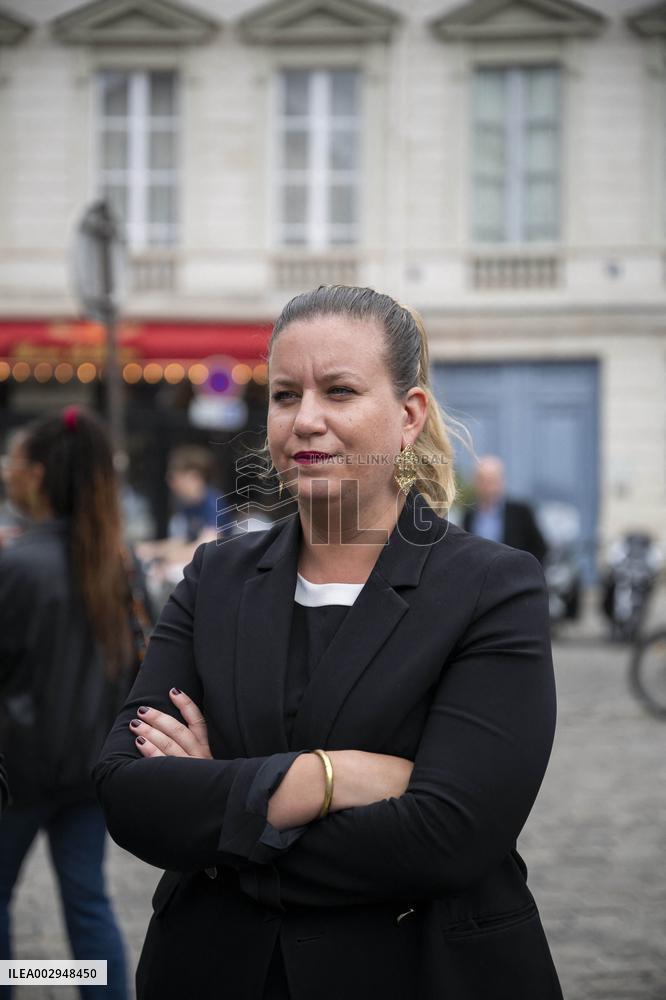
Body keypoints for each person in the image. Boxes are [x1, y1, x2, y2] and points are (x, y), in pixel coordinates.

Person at [94, 285, 563, 1000]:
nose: (305, 420)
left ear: (408, 417)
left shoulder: (490, 586)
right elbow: (127, 791)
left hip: (416, 974)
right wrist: (331, 777)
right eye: (285, 395)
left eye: (339, 391)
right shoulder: (217, 577)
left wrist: (220, 802)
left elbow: (452, 835)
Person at [0, 407, 135, 1000]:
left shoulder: (18, 565)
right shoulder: (112, 564)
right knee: (88, 900)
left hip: (17, 771)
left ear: (34, 476)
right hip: (91, 767)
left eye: (13, 461)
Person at [462, 453, 548, 564]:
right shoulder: (469, 515)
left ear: (501, 481)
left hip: (515, 576)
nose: (487, 486)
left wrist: (526, 572)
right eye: (482, 480)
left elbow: (540, 548)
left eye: (491, 480)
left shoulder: (520, 512)